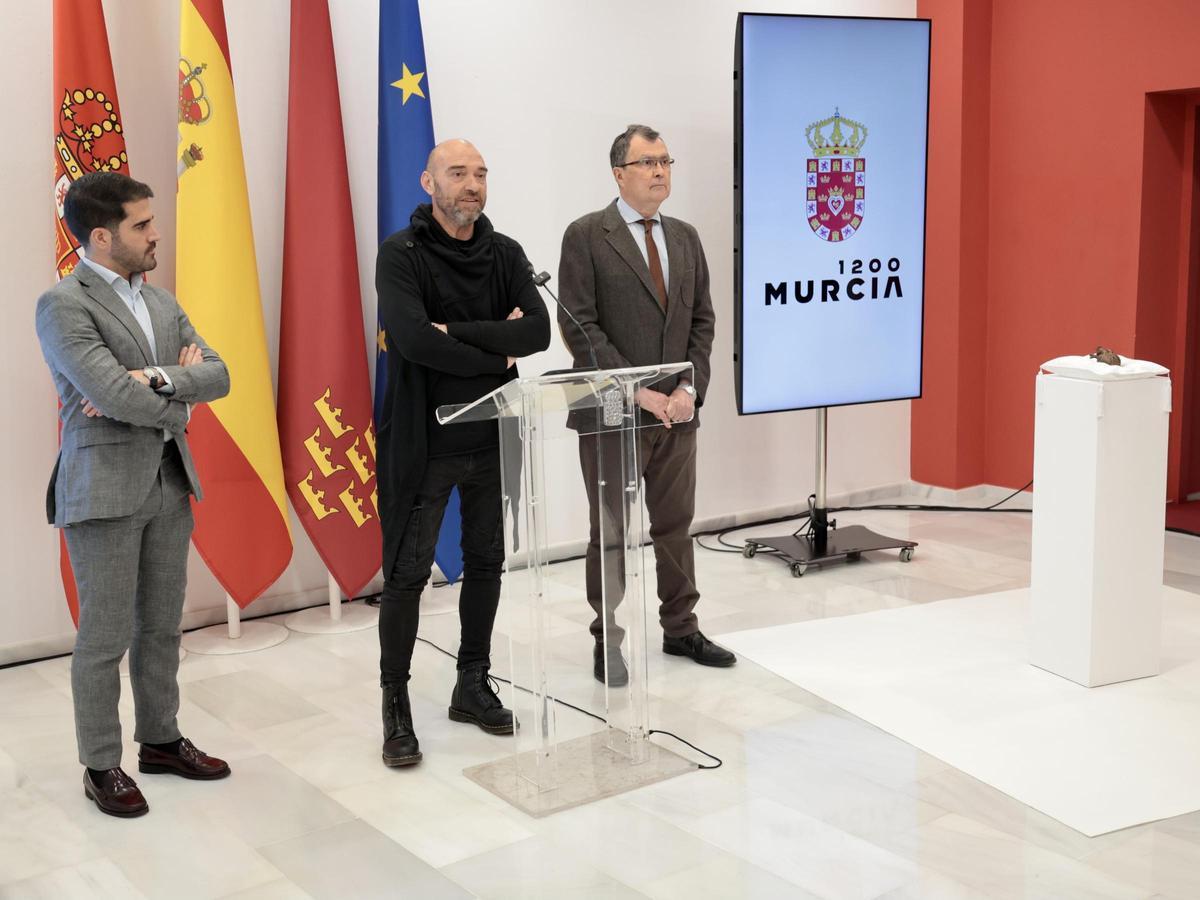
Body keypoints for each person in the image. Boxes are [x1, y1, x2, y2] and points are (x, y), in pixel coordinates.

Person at [35, 172, 232, 818]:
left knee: (161, 626)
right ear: (101, 235)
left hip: (169, 483)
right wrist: (178, 393)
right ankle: (101, 763)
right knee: (105, 635)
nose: (156, 233)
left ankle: (162, 740)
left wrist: (152, 379)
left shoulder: (163, 301)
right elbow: (110, 393)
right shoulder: (64, 305)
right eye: (142, 225)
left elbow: (219, 375)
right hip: (102, 492)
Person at [375, 139, 550, 766]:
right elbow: (416, 343)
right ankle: (395, 704)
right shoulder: (401, 255)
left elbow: (538, 331)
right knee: (407, 575)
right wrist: (496, 351)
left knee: (486, 563)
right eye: (458, 173)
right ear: (428, 182)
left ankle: (471, 684)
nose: (471, 184)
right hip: (425, 442)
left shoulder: (505, 252)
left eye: (480, 173)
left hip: (492, 434)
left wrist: (462, 333)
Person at [558, 124, 736, 685]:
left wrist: (689, 390)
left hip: (676, 416)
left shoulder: (684, 237)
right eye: (647, 162)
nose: (660, 171)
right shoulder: (587, 235)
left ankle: (681, 628)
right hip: (614, 412)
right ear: (619, 173)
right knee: (609, 531)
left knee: (676, 525)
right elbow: (578, 324)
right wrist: (636, 391)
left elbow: (703, 322)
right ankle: (605, 640)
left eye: (665, 161)